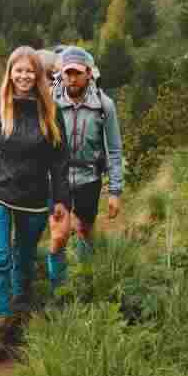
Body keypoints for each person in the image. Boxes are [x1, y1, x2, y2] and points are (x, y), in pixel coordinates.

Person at [0, 46, 70, 360]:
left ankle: (19, 323)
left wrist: (61, 200)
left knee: (24, 261)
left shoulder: (51, 111)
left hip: (35, 198)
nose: (24, 76)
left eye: (30, 71)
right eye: (19, 70)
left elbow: (59, 161)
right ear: (10, 73)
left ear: (38, 76)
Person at [46, 45, 125, 291]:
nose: (72, 78)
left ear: (88, 73)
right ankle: (58, 288)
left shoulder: (104, 105)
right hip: (57, 179)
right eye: (68, 73)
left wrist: (115, 191)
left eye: (77, 73)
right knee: (59, 236)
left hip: (89, 178)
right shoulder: (50, 101)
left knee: (84, 230)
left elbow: (114, 149)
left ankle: (84, 281)